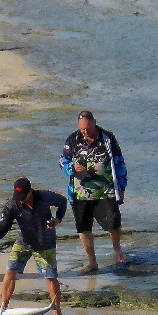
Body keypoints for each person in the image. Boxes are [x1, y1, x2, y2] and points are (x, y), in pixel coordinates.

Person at [0, 177, 67, 315]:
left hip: (45, 243)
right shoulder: (12, 205)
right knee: (10, 271)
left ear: (30, 191)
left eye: (23, 197)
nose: (20, 201)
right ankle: (3, 307)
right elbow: (4, 226)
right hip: (24, 241)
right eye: (18, 197)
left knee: (50, 277)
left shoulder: (45, 197)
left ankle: (57, 312)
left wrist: (57, 219)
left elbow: (63, 202)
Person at [59, 110, 127, 274]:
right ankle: (92, 262)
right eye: (82, 128)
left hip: (106, 191)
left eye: (88, 128)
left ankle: (117, 249)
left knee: (113, 222)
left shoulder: (108, 138)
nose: (85, 132)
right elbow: (62, 161)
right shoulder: (73, 139)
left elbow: (119, 163)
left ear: (94, 122)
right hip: (80, 193)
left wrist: (122, 187)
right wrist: (72, 168)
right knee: (83, 228)